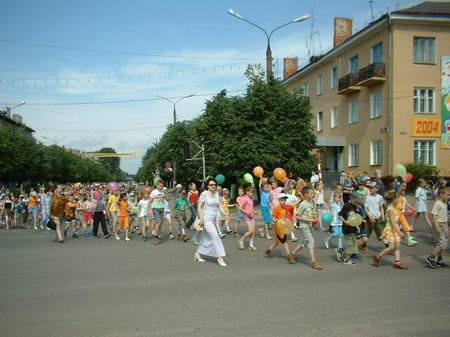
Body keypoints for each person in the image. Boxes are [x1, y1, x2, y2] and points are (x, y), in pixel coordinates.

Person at [194, 178, 227, 267]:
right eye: (211, 185)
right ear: (207, 186)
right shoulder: (204, 194)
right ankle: (220, 258)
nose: (213, 186)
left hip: (213, 220)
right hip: (206, 219)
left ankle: (198, 254)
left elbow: (219, 205)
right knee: (215, 236)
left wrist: (225, 214)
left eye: (214, 185)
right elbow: (200, 207)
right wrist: (201, 218)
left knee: (206, 238)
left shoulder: (217, 194)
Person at [373, 191, 408, 269]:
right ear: (393, 199)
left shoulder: (394, 208)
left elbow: (396, 220)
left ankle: (397, 262)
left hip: (396, 228)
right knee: (391, 247)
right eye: (397, 198)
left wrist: (400, 225)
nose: (398, 199)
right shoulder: (390, 209)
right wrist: (400, 233)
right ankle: (378, 256)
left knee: (397, 246)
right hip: (391, 230)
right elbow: (392, 223)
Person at [292, 186, 323, 270]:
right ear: (306, 194)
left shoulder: (311, 202)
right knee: (311, 241)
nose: (313, 194)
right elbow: (297, 216)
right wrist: (309, 219)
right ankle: (313, 262)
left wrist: (314, 220)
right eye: (311, 193)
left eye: (313, 193)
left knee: (304, 242)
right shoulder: (303, 204)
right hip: (303, 225)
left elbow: (311, 213)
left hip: (309, 225)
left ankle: (292, 254)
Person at [264, 193, 296, 264]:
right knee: (285, 241)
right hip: (278, 227)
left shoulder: (287, 208)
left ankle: (269, 250)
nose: (283, 201)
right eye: (282, 200)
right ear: (278, 200)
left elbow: (289, 218)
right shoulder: (277, 208)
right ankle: (289, 256)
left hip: (284, 226)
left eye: (284, 200)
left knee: (278, 242)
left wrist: (292, 226)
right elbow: (273, 217)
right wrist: (274, 220)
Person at [337, 192, 364, 265]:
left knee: (352, 244)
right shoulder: (347, 205)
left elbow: (354, 217)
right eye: (356, 201)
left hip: (352, 228)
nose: (357, 202)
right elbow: (340, 215)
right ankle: (346, 260)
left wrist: (358, 224)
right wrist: (345, 221)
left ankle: (340, 250)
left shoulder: (353, 206)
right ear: (352, 199)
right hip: (347, 228)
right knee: (351, 245)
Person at [425, 186, 449, 268]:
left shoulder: (445, 203)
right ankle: (430, 258)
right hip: (439, 225)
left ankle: (440, 260)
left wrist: (447, 226)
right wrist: (437, 227)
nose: (449, 197)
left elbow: (445, 216)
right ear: (441, 194)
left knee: (444, 244)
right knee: (441, 243)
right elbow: (434, 216)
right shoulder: (437, 203)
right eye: (447, 195)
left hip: (444, 225)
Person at [237, 186, 258, 251]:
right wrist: (246, 212)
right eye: (250, 192)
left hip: (252, 216)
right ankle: (241, 240)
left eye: (252, 192)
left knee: (253, 231)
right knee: (250, 231)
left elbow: (250, 207)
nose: (251, 193)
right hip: (247, 216)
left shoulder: (250, 199)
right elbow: (240, 207)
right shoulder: (245, 199)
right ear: (246, 192)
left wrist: (254, 211)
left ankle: (251, 245)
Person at [149, 180, 167, 245]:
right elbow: (150, 201)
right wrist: (150, 210)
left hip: (162, 208)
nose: (161, 187)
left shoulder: (163, 192)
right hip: (155, 208)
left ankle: (158, 234)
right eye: (160, 186)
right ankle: (156, 237)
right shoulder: (154, 192)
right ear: (157, 185)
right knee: (158, 223)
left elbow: (167, 199)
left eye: (162, 186)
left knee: (161, 223)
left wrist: (165, 193)